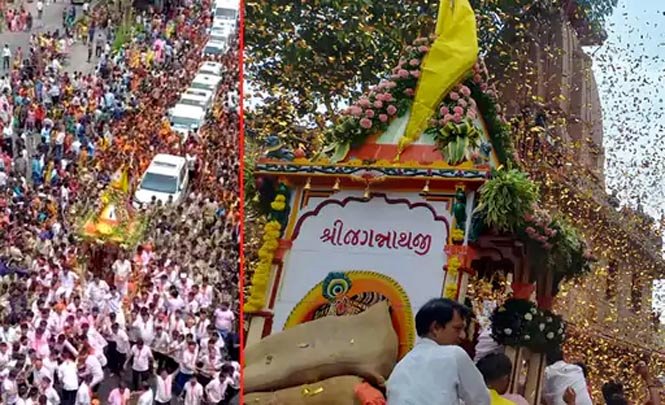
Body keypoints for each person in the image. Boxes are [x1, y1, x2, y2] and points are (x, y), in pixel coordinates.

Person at [386, 298, 490, 405]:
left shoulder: (401, 365)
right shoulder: (454, 355)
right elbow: (481, 401)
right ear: (436, 328)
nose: (463, 336)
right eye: (457, 329)